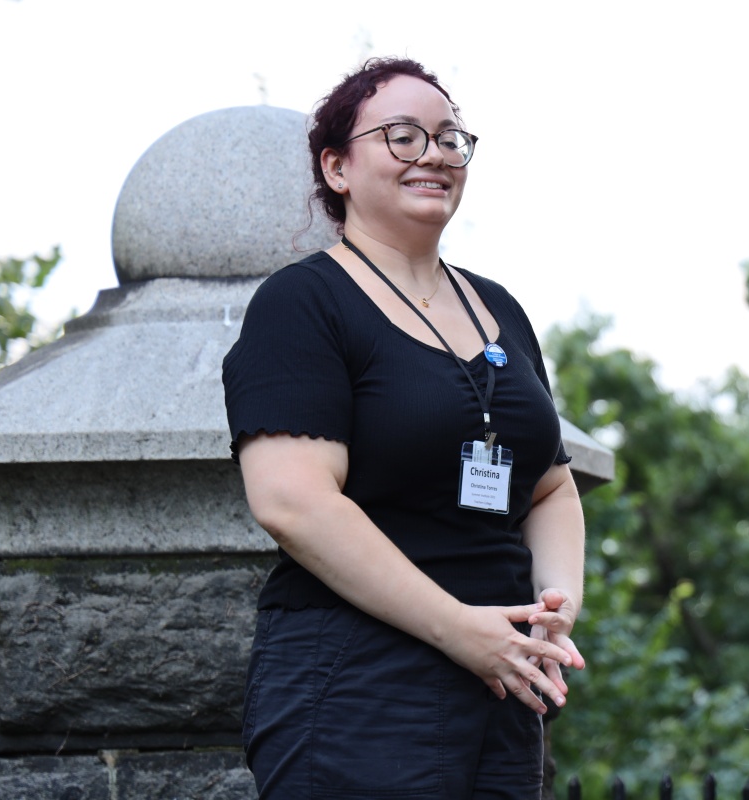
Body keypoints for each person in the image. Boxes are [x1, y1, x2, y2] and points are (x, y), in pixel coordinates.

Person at [221, 56, 585, 799]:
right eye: (402, 136)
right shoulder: (302, 304)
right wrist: (461, 629)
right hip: (356, 680)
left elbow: (550, 486)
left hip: (501, 684)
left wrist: (555, 606)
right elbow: (292, 502)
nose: (435, 155)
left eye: (451, 138)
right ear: (337, 166)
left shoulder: (501, 309)